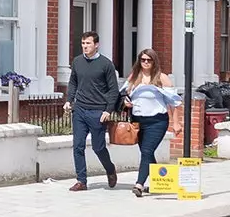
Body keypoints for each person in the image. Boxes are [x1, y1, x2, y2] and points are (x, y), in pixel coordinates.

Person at [63, 31, 120, 191]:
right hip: (80, 110)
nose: (85, 46)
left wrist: (108, 110)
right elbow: (73, 82)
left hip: (98, 112)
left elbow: (113, 90)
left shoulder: (106, 64)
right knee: (78, 146)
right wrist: (69, 100)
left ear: (96, 45)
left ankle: (110, 169)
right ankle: (81, 180)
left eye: (88, 43)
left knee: (98, 147)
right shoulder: (77, 62)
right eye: (83, 43)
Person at [122, 48, 181, 197]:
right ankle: (161, 182)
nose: (146, 63)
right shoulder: (134, 77)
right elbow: (123, 96)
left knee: (147, 151)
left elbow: (174, 102)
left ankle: (139, 184)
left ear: (154, 61)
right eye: (143, 60)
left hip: (157, 121)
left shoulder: (162, 78)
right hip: (138, 121)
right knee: (146, 153)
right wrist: (126, 103)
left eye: (149, 60)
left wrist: (176, 123)